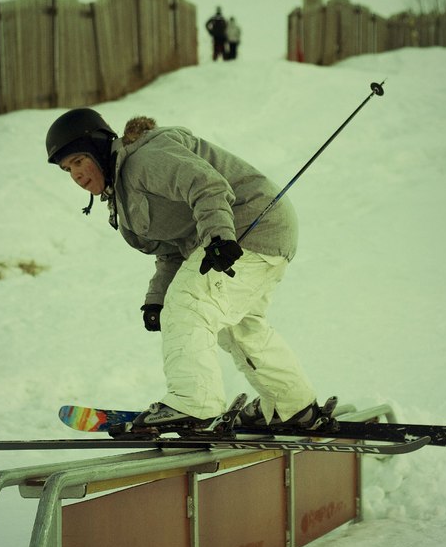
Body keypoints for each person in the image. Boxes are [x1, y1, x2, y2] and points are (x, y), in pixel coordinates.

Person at [45, 107, 336, 432]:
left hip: (250, 222)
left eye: (79, 161)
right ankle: (292, 406)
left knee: (188, 307)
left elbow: (206, 184)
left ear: (99, 148)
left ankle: (195, 403)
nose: (77, 176)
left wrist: (219, 237)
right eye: (67, 169)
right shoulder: (123, 193)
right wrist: (157, 298)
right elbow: (173, 249)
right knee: (239, 327)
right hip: (249, 233)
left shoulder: (145, 160)